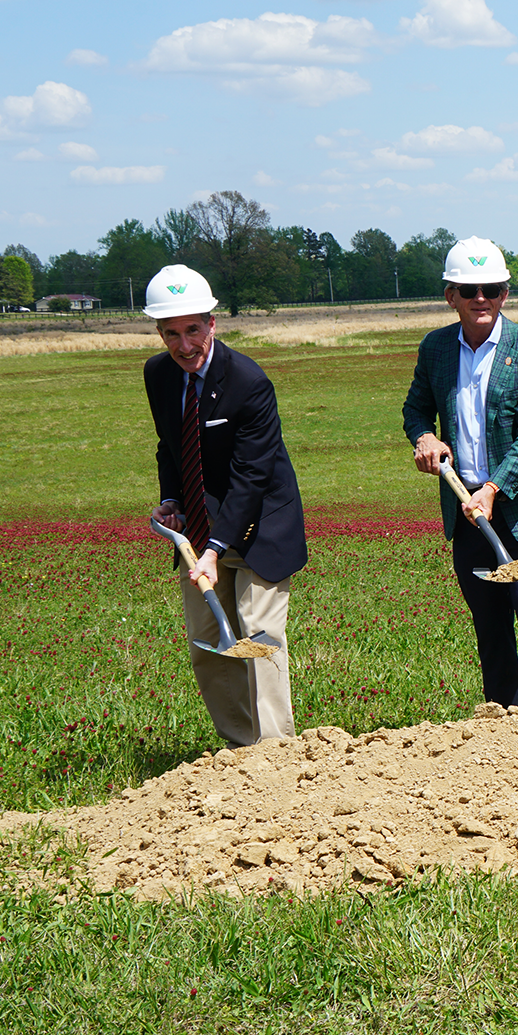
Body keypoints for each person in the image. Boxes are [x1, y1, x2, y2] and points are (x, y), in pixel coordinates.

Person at [403, 237, 518, 708]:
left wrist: (495, 488)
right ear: (450, 296)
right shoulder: (436, 348)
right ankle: (503, 728)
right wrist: (424, 437)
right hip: (466, 506)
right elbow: (416, 409)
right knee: (489, 622)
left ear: (505, 294)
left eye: (493, 289)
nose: (482, 299)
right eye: (470, 289)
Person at [142, 264, 306, 747]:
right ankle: (239, 750)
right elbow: (169, 446)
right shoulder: (158, 374)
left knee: (258, 636)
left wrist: (214, 549)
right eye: (171, 333)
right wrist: (170, 500)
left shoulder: (248, 382)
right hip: (199, 524)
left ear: (212, 324)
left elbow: (251, 477)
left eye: (193, 329)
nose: (184, 345)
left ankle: (276, 755)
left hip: (261, 524)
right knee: (209, 640)